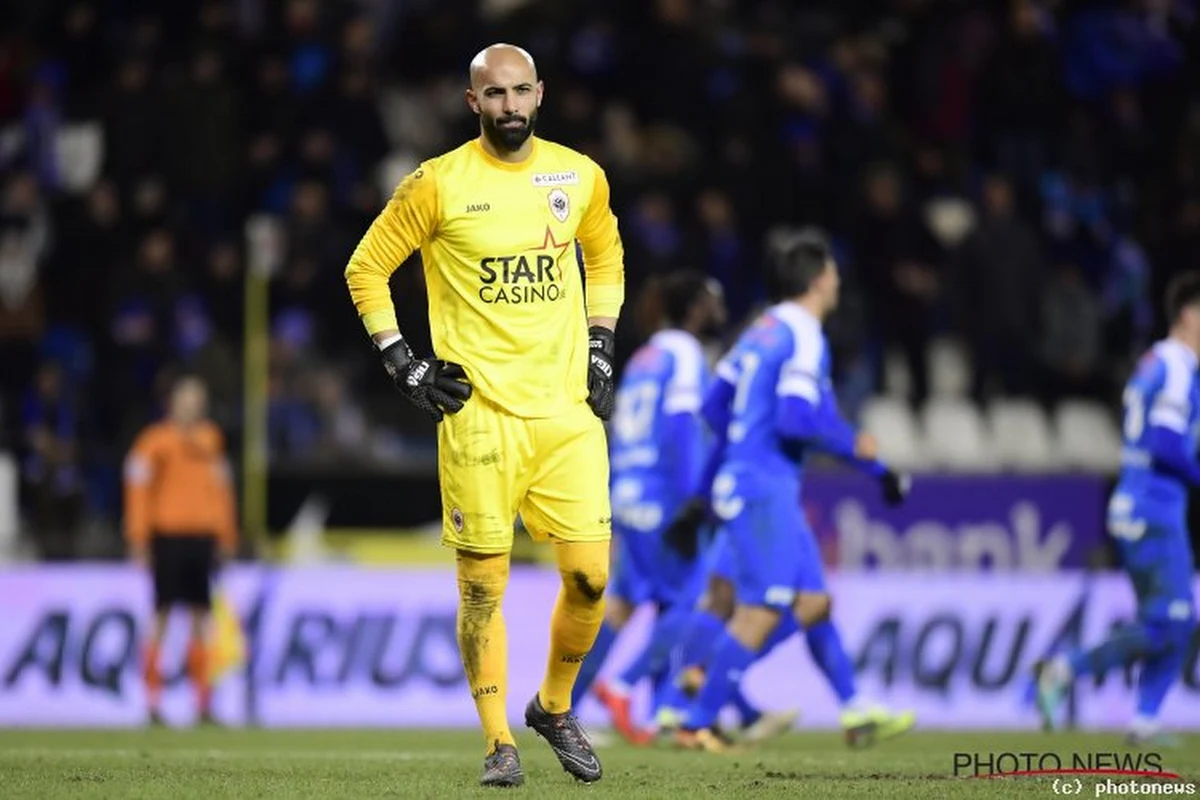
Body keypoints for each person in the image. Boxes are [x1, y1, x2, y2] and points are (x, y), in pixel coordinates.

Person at [343, 43, 624, 787]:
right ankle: (499, 741)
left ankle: (554, 707)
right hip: (480, 419)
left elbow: (606, 256)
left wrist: (600, 344)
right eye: (495, 95)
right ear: (474, 103)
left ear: (541, 94)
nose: (510, 107)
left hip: (567, 414)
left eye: (521, 92)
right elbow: (366, 268)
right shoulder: (436, 184)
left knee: (592, 579)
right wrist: (403, 361)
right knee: (482, 592)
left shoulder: (579, 176)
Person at [672, 228, 915, 752]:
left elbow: (716, 409)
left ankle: (854, 709)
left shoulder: (760, 330)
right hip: (765, 486)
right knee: (762, 608)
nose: (838, 282)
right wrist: (859, 450)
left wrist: (707, 489)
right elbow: (797, 418)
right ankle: (697, 715)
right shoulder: (804, 332)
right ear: (821, 278)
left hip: (749, 480)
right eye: (834, 273)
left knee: (814, 600)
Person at [1035, 273, 1200, 748]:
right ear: (1188, 316)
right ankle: (1068, 670)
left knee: (1169, 620)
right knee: (1172, 619)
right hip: (1154, 507)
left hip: (1135, 502)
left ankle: (1143, 720)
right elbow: (1166, 443)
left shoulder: (1153, 362)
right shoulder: (1178, 366)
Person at [567, 270, 725, 744]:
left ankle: (565, 711)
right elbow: (679, 428)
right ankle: (623, 689)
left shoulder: (643, 357)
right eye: (712, 300)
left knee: (621, 608)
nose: (719, 310)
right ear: (695, 308)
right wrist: (694, 496)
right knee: (685, 599)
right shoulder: (684, 353)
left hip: (630, 493)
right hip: (665, 498)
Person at [124, 375, 237, 726]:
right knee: (160, 616)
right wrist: (138, 538)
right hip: (168, 538)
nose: (192, 405)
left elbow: (221, 491)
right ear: (173, 402)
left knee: (202, 619)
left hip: (202, 539)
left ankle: (203, 705)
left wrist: (226, 535)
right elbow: (137, 492)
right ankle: (153, 702)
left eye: (197, 399)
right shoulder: (152, 442)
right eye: (186, 398)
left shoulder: (211, 439)